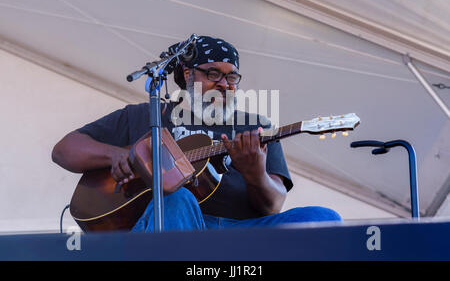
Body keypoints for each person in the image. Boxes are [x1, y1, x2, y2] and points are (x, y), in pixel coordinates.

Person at [52, 35, 341, 232]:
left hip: (240, 231)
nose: (225, 83)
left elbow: (273, 206)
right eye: (213, 74)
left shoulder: (256, 127)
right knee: (178, 199)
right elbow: (64, 150)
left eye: (232, 77)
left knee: (323, 219)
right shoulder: (146, 115)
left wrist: (256, 174)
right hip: (171, 224)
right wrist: (121, 154)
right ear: (188, 75)